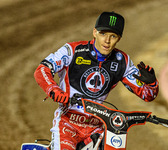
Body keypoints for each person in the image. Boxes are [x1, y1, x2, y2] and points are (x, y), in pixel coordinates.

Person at [34, 11, 159, 150]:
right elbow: (42, 69)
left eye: (113, 36)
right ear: (94, 32)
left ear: (119, 39)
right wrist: (53, 89)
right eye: (103, 34)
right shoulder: (72, 51)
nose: (107, 40)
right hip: (68, 122)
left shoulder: (122, 61)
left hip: (98, 125)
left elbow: (147, 95)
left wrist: (152, 83)